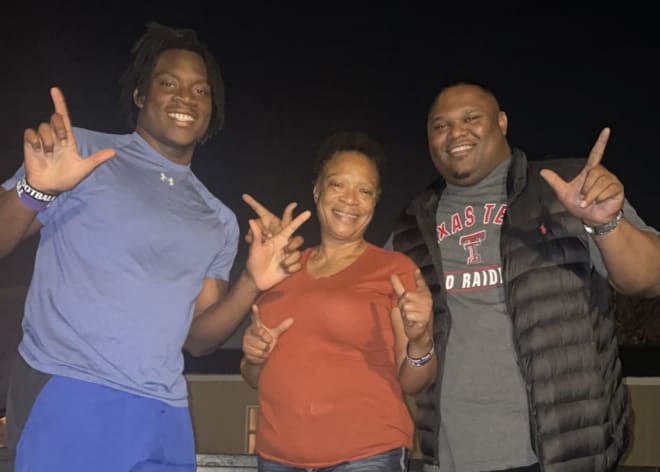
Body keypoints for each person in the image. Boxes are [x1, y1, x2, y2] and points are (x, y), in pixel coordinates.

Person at [0, 22, 310, 472]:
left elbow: (199, 340)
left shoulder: (216, 218)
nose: (186, 98)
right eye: (168, 84)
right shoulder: (82, 154)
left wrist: (251, 282)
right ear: (140, 96)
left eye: (200, 90)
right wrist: (36, 189)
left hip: (165, 410)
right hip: (68, 391)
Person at [389, 81, 660, 472]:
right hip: (450, 456)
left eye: (471, 118)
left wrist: (607, 224)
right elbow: (354, 303)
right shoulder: (412, 223)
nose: (455, 133)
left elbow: (648, 278)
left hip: (563, 453)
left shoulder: (565, 188)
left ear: (501, 122)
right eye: (440, 125)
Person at [240, 131, 437, 472]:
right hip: (277, 457)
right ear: (317, 190)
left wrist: (421, 340)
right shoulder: (281, 267)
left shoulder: (393, 269)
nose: (350, 199)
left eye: (365, 191)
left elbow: (414, 381)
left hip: (366, 456)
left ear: (376, 201)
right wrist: (255, 357)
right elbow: (254, 375)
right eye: (337, 185)